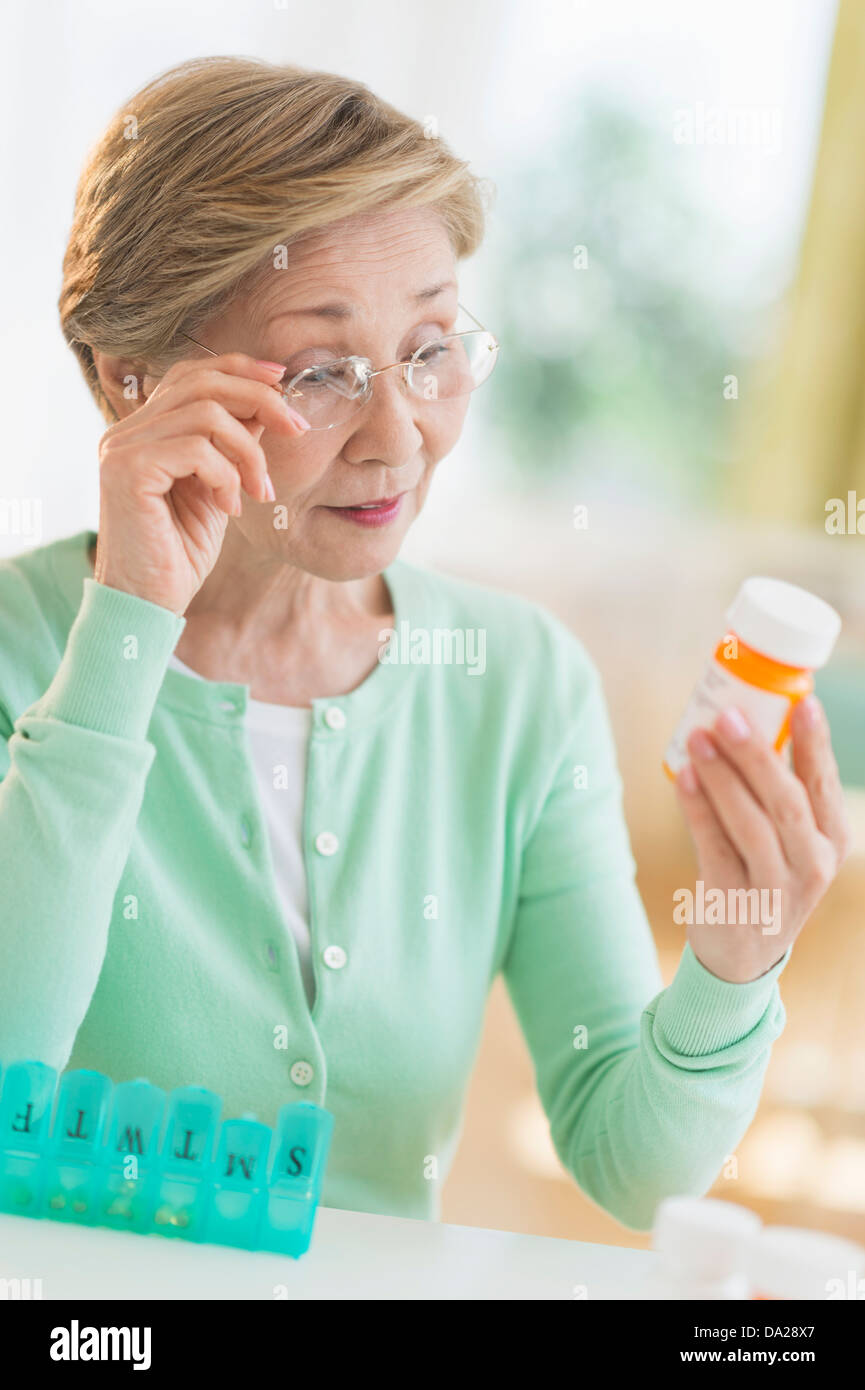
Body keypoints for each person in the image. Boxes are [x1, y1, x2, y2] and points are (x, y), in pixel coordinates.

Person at [0, 57, 849, 1226]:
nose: (400, 435)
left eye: (433, 347)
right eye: (324, 370)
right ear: (130, 377)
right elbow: (10, 1067)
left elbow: (631, 1163)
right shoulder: (19, 647)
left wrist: (735, 958)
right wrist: (130, 622)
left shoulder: (520, 681)